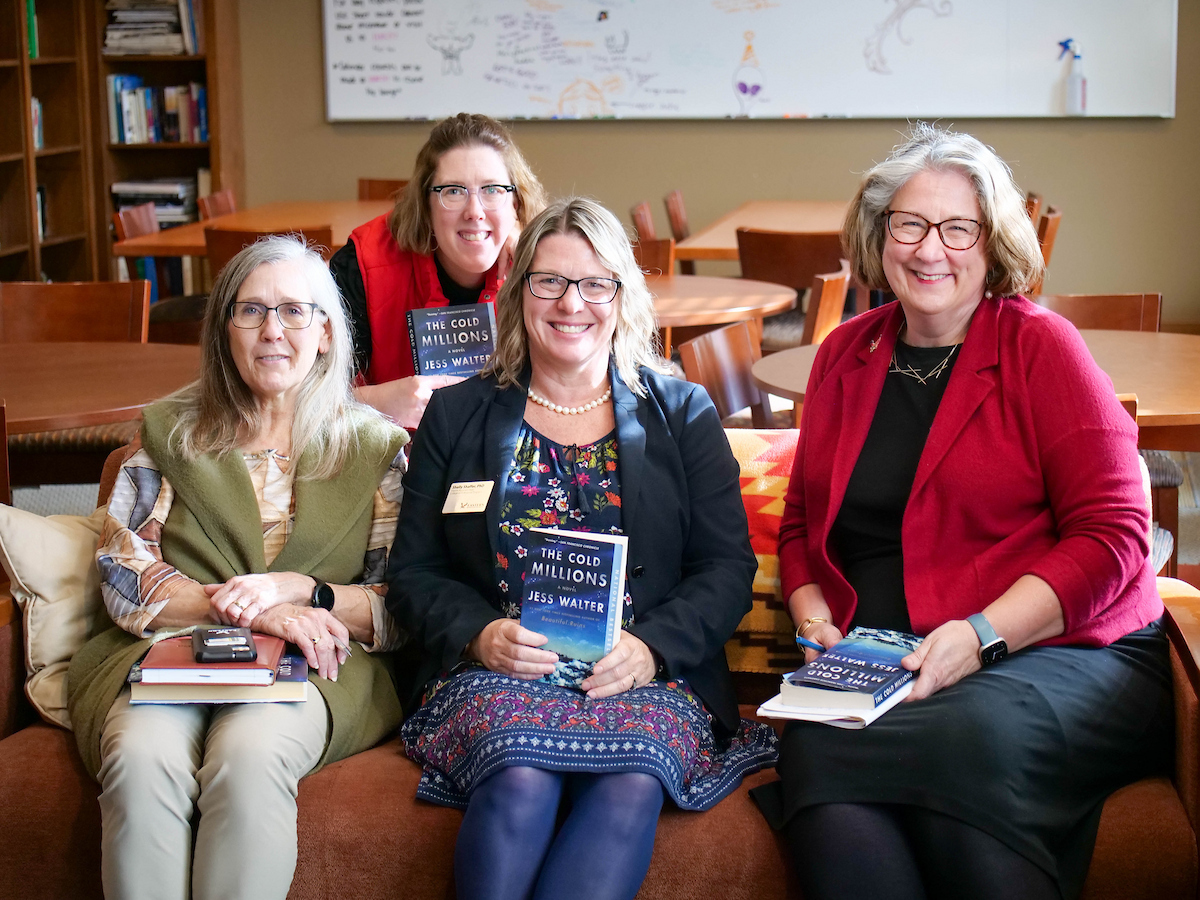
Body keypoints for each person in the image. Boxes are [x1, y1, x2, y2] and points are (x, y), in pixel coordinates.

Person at [758, 123, 1173, 900]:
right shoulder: (845, 354)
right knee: (814, 747)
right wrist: (815, 624)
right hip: (893, 662)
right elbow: (803, 527)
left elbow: (1115, 535)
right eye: (909, 225)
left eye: (958, 229)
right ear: (879, 235)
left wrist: (981, 636)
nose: (929, 250)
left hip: (1059, 650)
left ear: (993, 244)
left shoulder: (1042, 348)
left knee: (968, 740)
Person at [387, 197, 778, 900]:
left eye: (595, 284)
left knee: (629, 782)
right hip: (501, 672)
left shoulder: (683, 413)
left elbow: (726, 569)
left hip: (646, 676)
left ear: (622, 297)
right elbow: (414, 572)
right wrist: (480, 635)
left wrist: (651, 649)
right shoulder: (456, 414)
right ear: (519, 293)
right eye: (550, 282)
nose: (572, 303)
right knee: (520, 776)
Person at [66, 235, 410, 900]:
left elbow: (401, 600)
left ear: (327, 334)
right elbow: (123, 569)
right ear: (225, 330)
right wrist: (251, 611)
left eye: (294, 311)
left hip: (316, 664)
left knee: (249, 756)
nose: (272, 330)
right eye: (250, 311)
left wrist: (309, 598)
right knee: (140, 757)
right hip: (173, 647)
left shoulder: (376, 450)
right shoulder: (170, 434)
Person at [329, 112, 547, 429]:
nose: (475, 212)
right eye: (453, 191)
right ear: (425, 204)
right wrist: (375, 403)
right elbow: (301, 398)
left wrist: (537, 260)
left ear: (516, 202)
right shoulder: (362, 266)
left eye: (492, 190)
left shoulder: (543, 269)